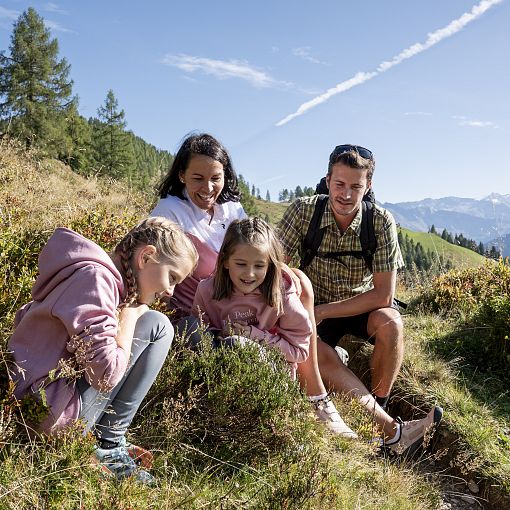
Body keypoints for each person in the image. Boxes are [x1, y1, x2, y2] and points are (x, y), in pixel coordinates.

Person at [150, 133, 351, 437]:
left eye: (215, 178)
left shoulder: (229, 208)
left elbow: (254, 247)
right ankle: (306, 388)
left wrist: (281, 271)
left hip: (242, 304)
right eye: (197, 178)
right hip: (205, 313)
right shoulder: (169, 214)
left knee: (299, 281)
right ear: (181, 175)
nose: (208, 188)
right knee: (277, 303)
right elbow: (152, 264)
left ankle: (315, 390)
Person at [277, 144, 443, 454]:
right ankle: (389, 430)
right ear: (327, 181)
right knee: (318, 354)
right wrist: (302, 308)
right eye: (339, 184)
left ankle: (378, 408)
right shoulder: (303, 211)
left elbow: (384, 294)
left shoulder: (379, 221)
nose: (346, 194)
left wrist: (323, 311)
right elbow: (276, 270)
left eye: (356, 186)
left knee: (391, 322)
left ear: (368, 185)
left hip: (358, 304)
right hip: (311, 303)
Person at [8, 217, 198, 482]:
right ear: (146, 257)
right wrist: (130, 312)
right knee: (159, 326)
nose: (170, 290)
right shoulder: (96, 280)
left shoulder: (95, 275)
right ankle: (108, 445)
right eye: (172, 277)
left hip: (34, 400)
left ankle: (107, 440)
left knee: (154, 320)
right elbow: (106, 376)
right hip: (43, 415)